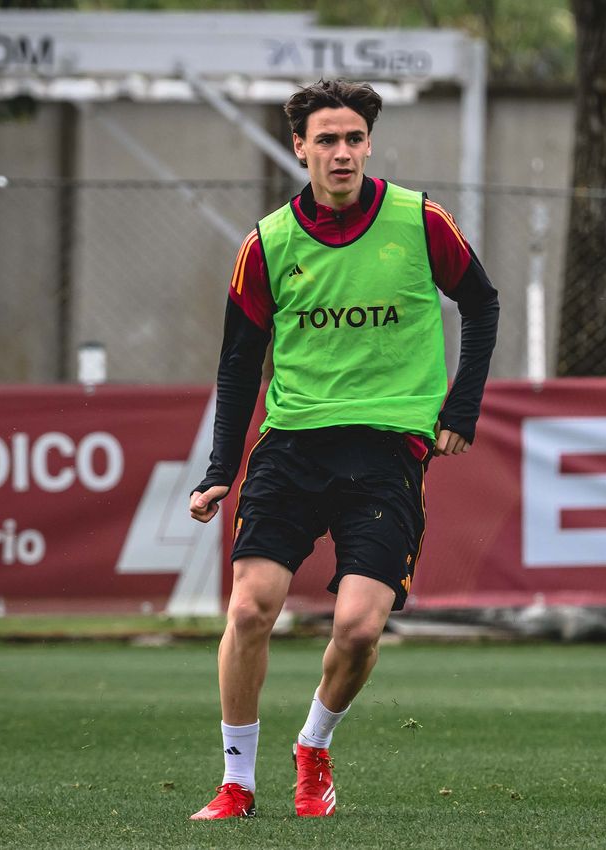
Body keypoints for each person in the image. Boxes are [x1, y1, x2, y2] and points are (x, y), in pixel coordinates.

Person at [187, 79, 499, 820]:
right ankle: (237, 782)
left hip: (386, 455)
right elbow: (237, 366)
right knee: (251, 608)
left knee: (359, 630)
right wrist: (218, 472)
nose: (341, 152)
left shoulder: (419, 221)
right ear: (298, 147)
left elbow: (480, 302)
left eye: (354, 138)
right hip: (291, 448)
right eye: (326, 139)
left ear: (369, 144)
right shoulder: (267, 243)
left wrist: (462, 406)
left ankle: (314, 747)